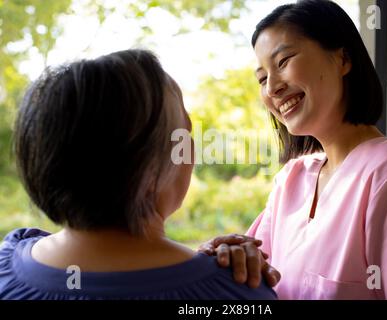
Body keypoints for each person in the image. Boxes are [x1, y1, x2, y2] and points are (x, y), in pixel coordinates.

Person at [200, 0, 387, 300]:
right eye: (263, 78)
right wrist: (223, 256)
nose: (272, 88)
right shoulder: (291, 179)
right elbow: (251, 278)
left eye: (284, 61)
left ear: (343, 59)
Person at [0, 49, 277, 300]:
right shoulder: (235, 293)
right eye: (185, 133)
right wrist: (208, 274)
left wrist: (199, 262)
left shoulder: (8, 264)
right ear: (149, 168)